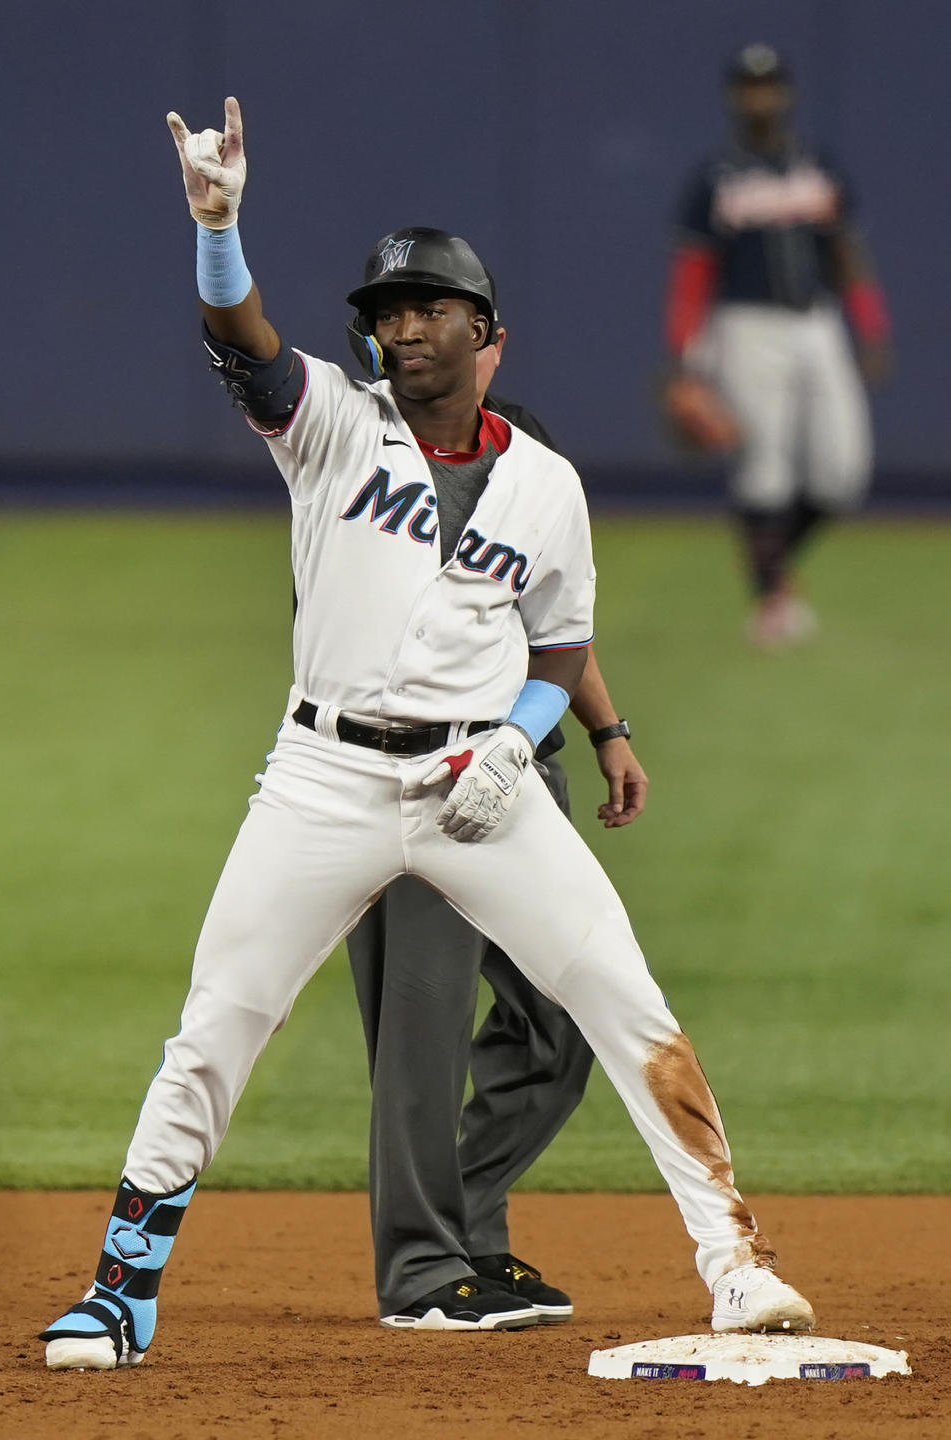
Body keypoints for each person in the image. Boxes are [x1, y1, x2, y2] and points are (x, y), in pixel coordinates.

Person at [40, 96, 814, 1370]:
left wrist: (521, 741)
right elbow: (248, 347)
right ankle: (122, 1289)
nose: (400, 326)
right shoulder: (334, 425)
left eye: (426, 308)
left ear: (487, 336)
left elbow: (560, 644)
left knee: (627, 1006)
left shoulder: (546, 486)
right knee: (221, 1021)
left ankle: (736, 1265)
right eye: (387, 312)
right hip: (322, 777)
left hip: (482, 784)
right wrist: (219, 230)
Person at [348, 324, 646, 1327]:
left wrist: (608, 730)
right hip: (416, 779)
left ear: (491, 345)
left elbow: (557, 621)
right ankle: (424, 1269)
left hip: (527, 781)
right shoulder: (368, 472)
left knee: (563, 1020)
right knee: (420, 1029)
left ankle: (466, 1222)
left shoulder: (528, 456)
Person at [664, 42, 892, 647]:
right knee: (763, 471)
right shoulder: (715, 178)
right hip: (745, 327)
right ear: (734, 98)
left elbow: (847, 254)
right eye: (748, 86)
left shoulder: (817, 165)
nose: (759, 97)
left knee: (843, 472)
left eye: (768, 85)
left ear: (786, 93)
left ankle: (769, 564)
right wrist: (685, 360)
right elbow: (692, 274)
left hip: (817, 323)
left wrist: (869, 324)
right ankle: (771, 601)